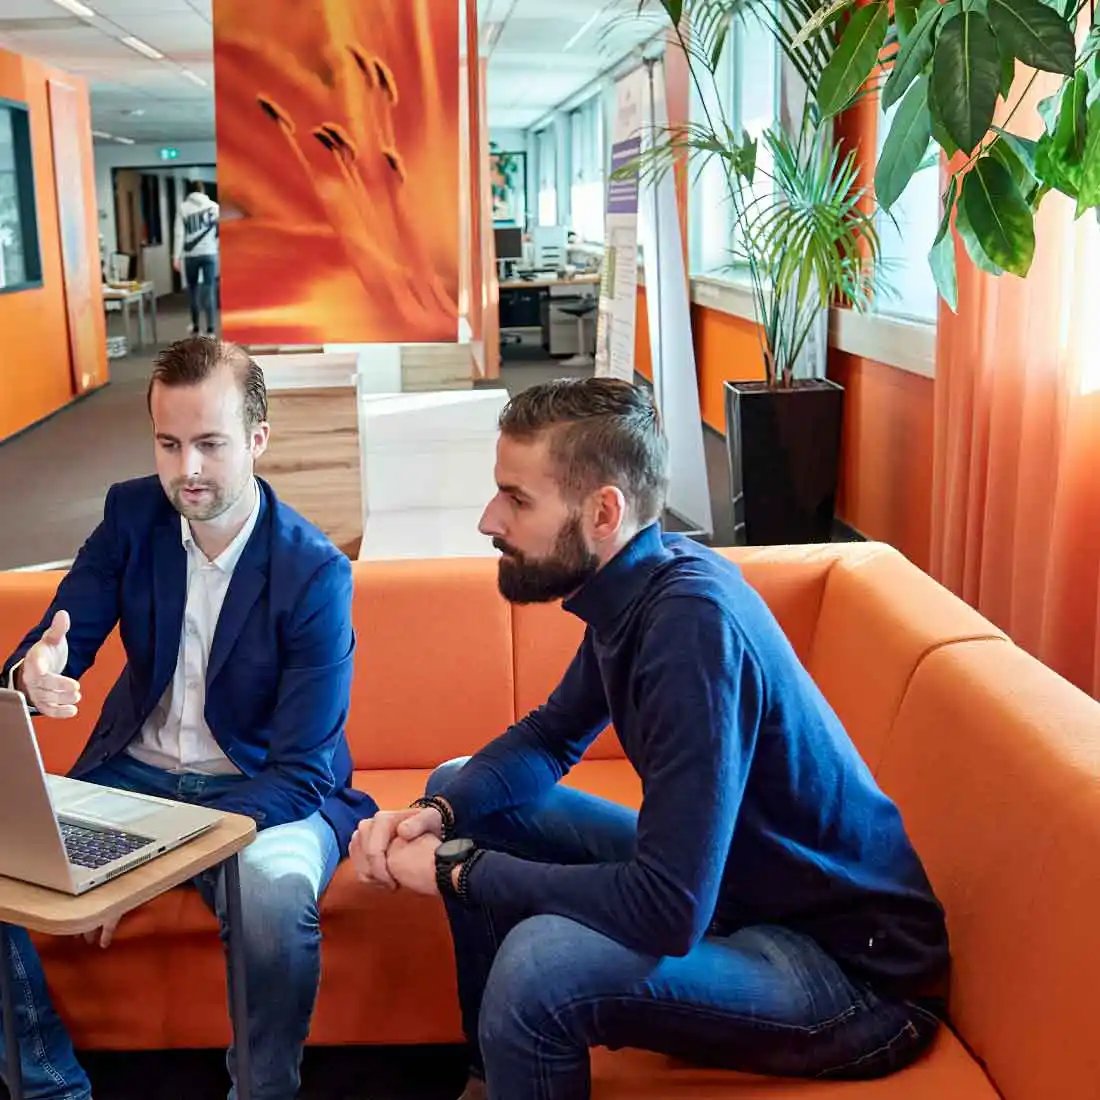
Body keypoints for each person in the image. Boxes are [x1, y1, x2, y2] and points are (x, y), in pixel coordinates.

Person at [350, 378, 950, 1100]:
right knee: (459, 785)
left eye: (517, 498)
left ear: (603, 511)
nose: (488, 519)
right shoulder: (634, 591)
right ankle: (496, 1075)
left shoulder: (689, 629)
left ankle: (512, 1056)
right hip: (738, 894)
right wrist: (438, 819)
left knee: (540, 965)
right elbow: (549, 738)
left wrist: (459, 872)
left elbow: (667, 908)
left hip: (852, 979)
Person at [1, 336, 376, 1100]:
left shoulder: (314, 573)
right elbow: (59, 638)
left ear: (258, 440)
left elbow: (302, 771)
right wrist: (32, 676)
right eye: (169, 444)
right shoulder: (132, 515)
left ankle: (261, 1091)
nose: (187, 470)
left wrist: (148, 859)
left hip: (266, 789)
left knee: (271, 899)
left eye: (210, 444)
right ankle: (47, 1085)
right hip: (137, 776)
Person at [173, 180, 220, 335]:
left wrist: (176, 257)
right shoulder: (214, 207)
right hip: (210, 253)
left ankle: (195, 326)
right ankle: (211, 329)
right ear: (203, 190)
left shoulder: (183, 208)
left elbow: (179, 234)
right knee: (209, 289)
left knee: (193, 290)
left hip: (191, 255)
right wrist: (215, 245)